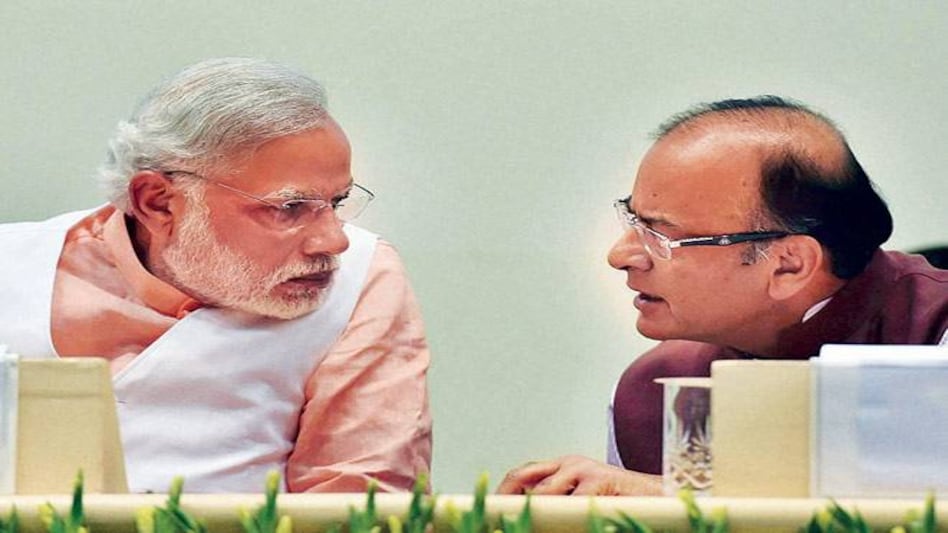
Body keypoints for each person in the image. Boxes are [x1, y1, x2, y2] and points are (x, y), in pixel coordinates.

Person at [0, 58, 432, 494]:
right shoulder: (12, 265)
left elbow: (363, 506)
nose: (333, 241)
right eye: (289, 208)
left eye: (336, 203)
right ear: (157, 202)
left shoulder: (361, 277)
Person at [497, 95, 948, 496]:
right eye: (632, 221)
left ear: (789, 265)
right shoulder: (657, 385)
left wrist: (674, 501)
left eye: (661, 235)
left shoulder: (934, 333)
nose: (620, 256)